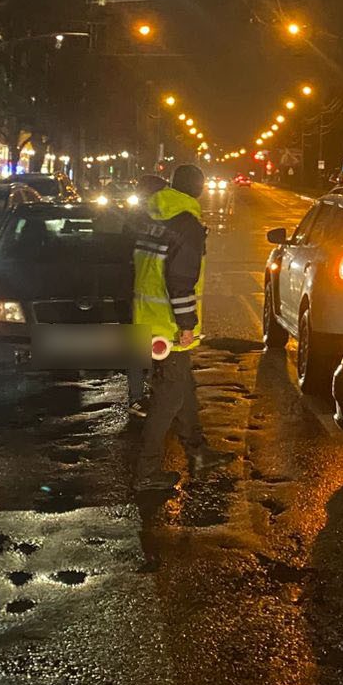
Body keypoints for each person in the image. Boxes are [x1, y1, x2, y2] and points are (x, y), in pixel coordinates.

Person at [132, 163, 231, 491]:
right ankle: (146, 471)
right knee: (170, 396)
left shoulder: (153, 216)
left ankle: (198, 451)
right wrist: (187, 324)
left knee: (183, 387)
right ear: (199, 189)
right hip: (169, 326)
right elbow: (181, 280)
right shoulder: (187, 224)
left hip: (147, 317)